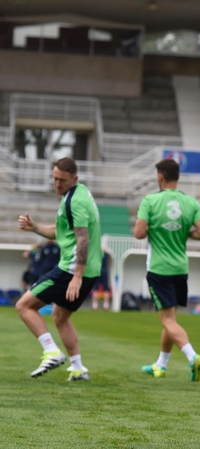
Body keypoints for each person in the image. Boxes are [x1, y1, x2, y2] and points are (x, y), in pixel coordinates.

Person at [15, 157, 102, 381]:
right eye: (54, 179)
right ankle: (78, 368)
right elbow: (62, 231)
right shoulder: (78, 194)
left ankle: (52, 352)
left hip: (72, 269)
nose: (57, 184)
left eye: (62, 180)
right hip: (88, 269)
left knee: (24, 306)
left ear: (74, 178)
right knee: (60, 316)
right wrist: (34, 227)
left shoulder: (75, 202)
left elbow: (82, 240)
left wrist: (77, 277)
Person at [134, 159, 200, 381]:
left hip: (159, 268)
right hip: (180, 268)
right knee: (171, 318)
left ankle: (192, 356)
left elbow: (139, 233)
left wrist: (155, 229)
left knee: (167, 320)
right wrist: (184, 233)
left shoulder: (150, 201)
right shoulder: (189, 202)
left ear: (160, 177)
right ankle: (161, 364)